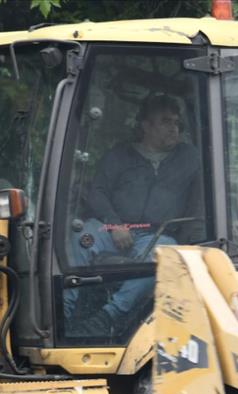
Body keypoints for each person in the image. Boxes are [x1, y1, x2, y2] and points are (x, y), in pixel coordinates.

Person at [64, 93, 203, 337]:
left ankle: (108, 316)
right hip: (112, 228)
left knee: (165, 255)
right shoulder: (119, 155)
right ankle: (64, 315)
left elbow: (212, 187)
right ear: (145, 126)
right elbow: (97, 191)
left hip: (157, 234)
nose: (174, 128)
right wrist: (114, 223)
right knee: (81, 238)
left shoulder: (189, 158)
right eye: (166, 122)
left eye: (176, 123)